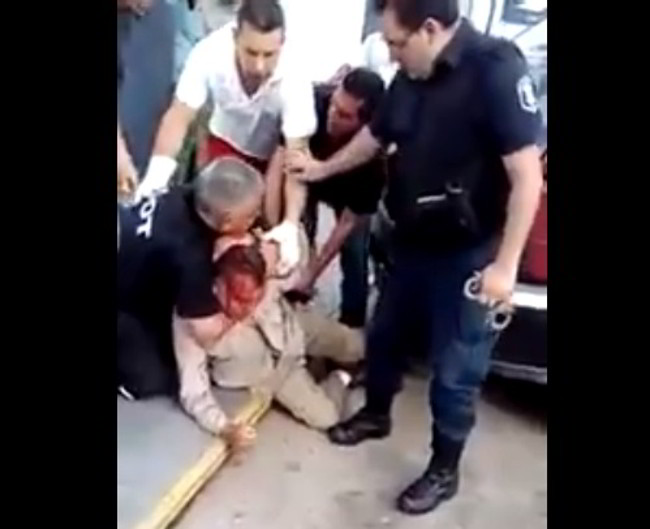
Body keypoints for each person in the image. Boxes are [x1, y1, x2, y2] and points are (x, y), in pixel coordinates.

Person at [287, 0, 544, 516]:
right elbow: (375, 135)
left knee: (454, 369)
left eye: (396, 42)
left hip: (468, 253)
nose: (390, 53)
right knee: (385, 337)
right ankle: (376, 414)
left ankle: (444, 469)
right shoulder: (410, 73)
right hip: (410, 238)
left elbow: (526, 177)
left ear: (430, 29)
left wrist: (505, 266)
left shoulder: (494, 71)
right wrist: (320, 169)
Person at [136, 0, 317, 274]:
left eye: (269, 55)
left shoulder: (297, 74)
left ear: (283, 43)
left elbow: (296, 155)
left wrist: (291, 222)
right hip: (224, 146)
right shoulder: (209, 52)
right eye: (251, 52)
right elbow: (179, 116)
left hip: (270, 158)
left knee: (267, 243)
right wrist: (155, 178)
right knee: (212, 229)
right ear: (235, 37)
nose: (259, 66)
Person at [173, 242, 365, 446]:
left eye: (256, 299)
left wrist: (283, 255)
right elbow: (194, 393)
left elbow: (297, 271)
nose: (249, 309)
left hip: (293, 327)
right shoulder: (193, 318)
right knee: (328, 417)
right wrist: (225, 428)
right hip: (276, 376)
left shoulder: (265, 271)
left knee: (357, 344)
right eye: (241, 300)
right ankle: (340, 375)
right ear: (219, 285)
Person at [117, 157, 265, 399]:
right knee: (155, 378)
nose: (257, 217)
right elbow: (203, 331)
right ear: (227, 221)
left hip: (127, 244)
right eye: (250, 215)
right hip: (124, 303)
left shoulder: (185, 193)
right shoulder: (192, 258)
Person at [271, 68, 386, 328]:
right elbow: (280, 163)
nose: (332, 116)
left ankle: (352, 323)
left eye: (344, 115)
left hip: (350, 193)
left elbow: (346, 224)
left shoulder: (375, 163)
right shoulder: (311, 104)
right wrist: (279, 226)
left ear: (365, 124)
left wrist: (313, 273)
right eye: (334, 105)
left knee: (354, 252)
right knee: (298, 236)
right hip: (305, 177)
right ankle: (293, 305)